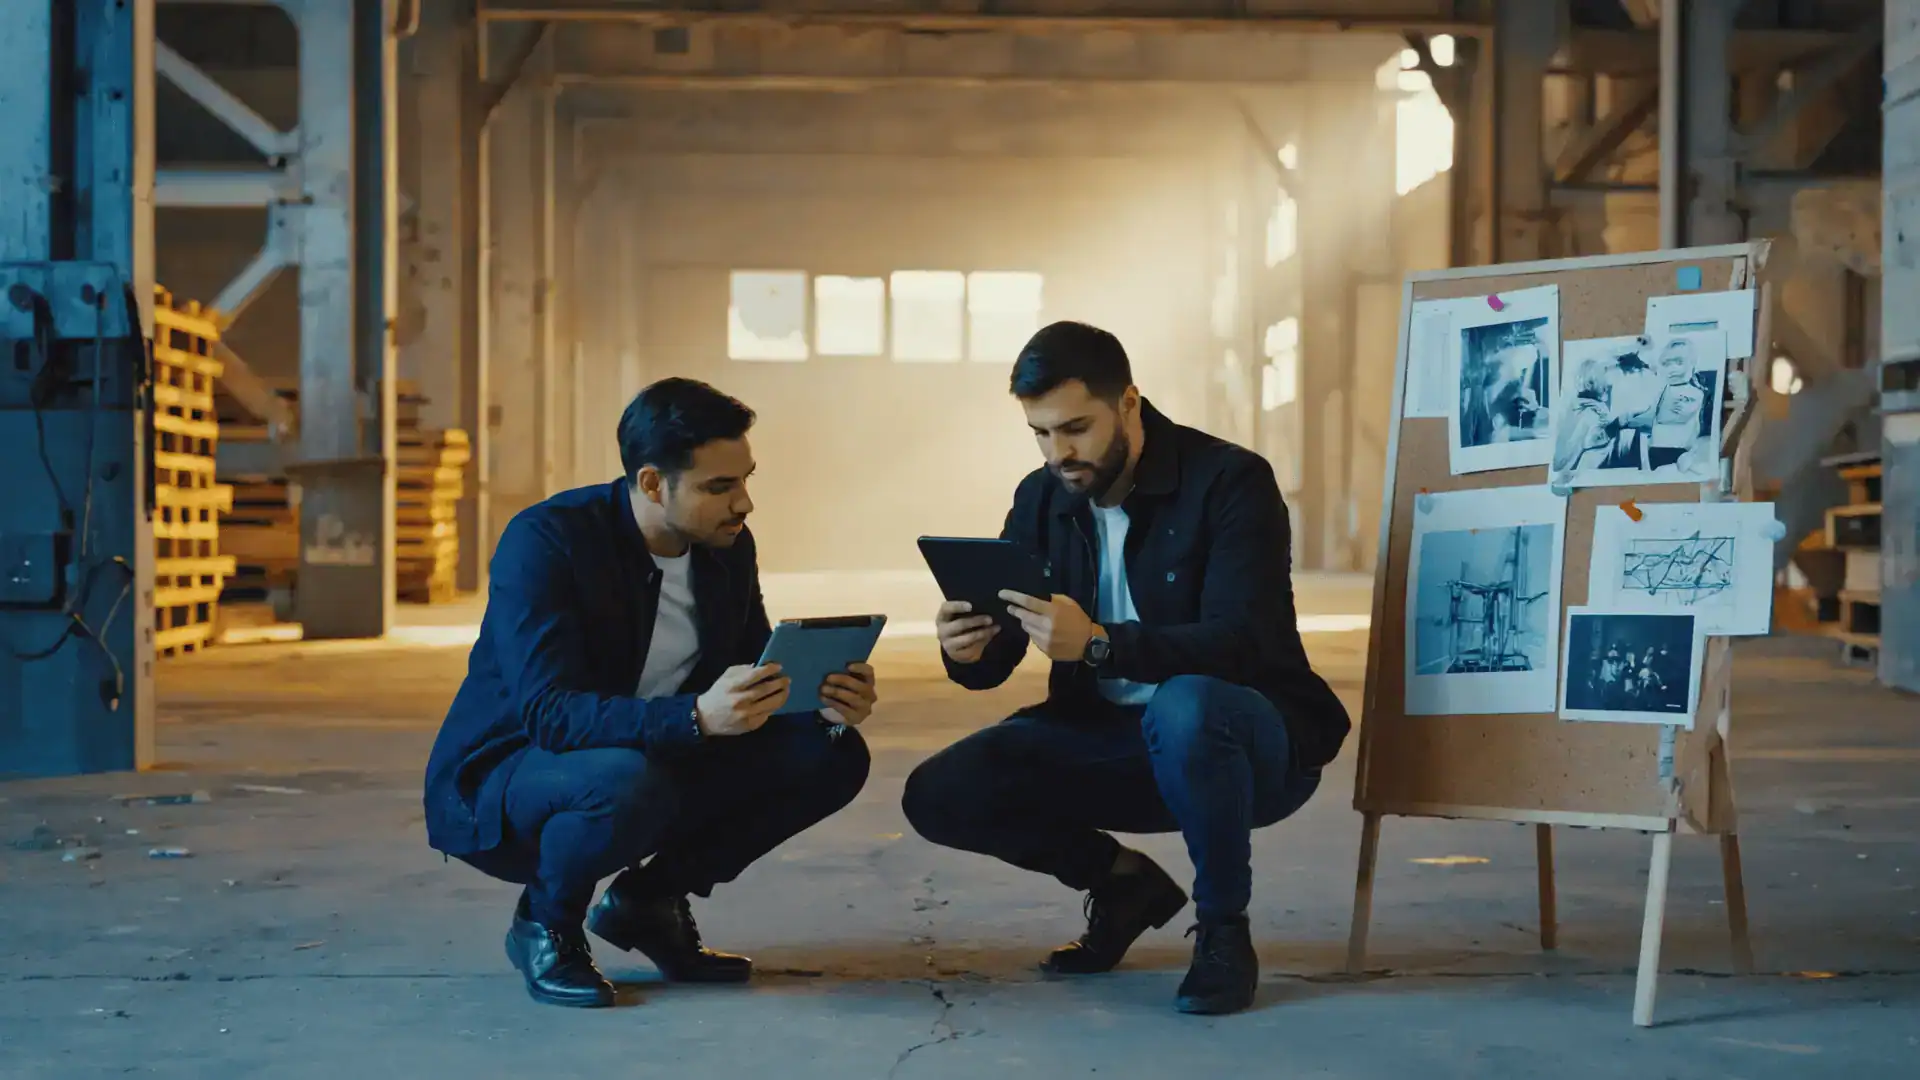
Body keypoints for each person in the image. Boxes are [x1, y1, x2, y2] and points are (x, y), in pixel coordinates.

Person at [902, 321, 1352, 1017]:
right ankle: (1120, 884)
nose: (1061, 453)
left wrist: (1102, 645)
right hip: (1111, 740)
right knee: (938, 792)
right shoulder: (1042, 497)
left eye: (1077, 428)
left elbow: (1244, 642)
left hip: (1250, 748)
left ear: (1131, 404)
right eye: (1042, 434)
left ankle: (1224, 932)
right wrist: (966, 649)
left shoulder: (1231, 481)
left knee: (1188, 704)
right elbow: (1002, 652)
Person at [422, 378, 879, 1008]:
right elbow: (550, 715)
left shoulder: (726, 548)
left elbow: (751, 668)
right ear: (653, 484)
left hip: (653, 753)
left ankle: (649, 902)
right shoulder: (547, 541)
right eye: (719, 487)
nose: (744, 503)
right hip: (510, 774)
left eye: (745, 479)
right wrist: (695, 718)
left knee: (832, 752)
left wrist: (820, 698)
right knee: (624, 780)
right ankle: (545, 924)